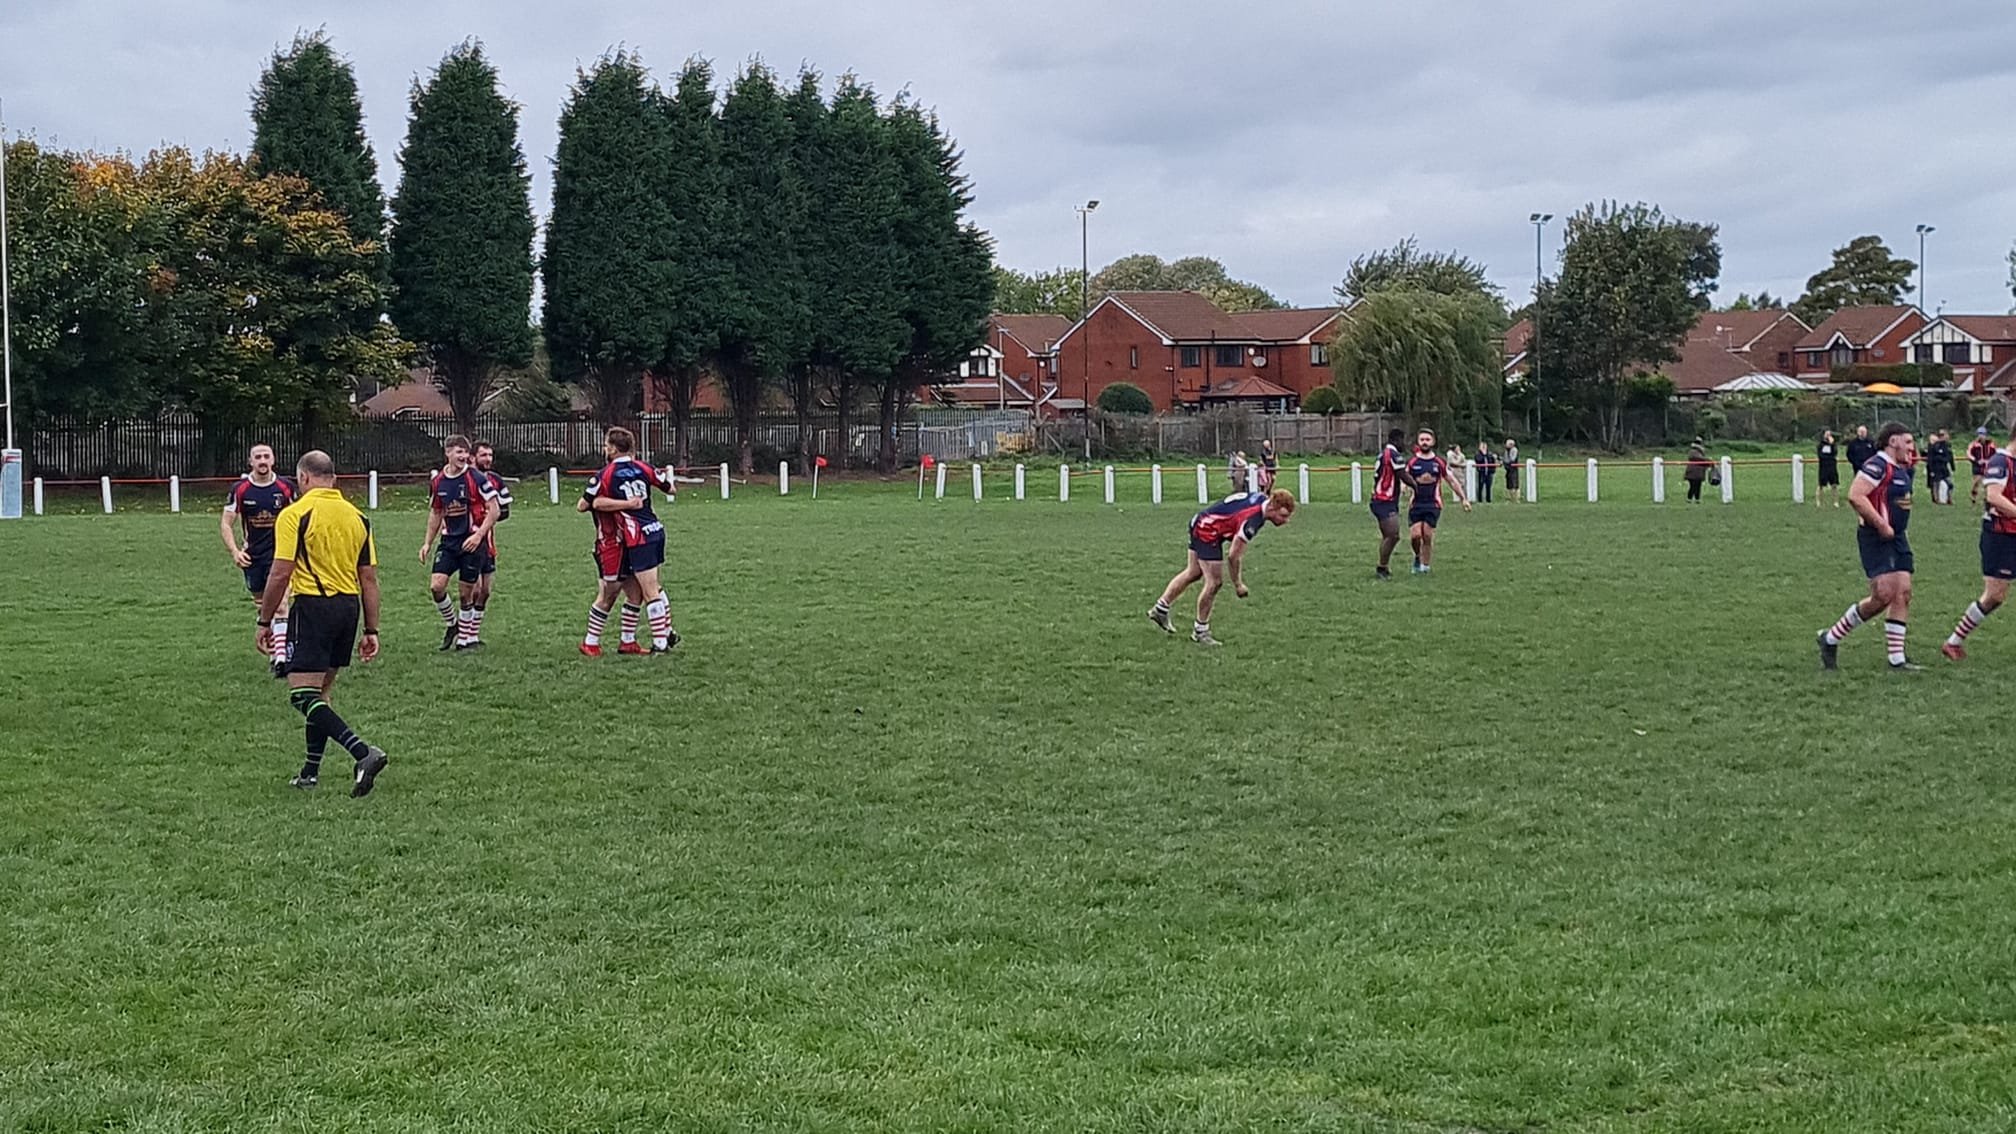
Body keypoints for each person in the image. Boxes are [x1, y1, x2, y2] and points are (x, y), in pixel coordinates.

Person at [256, 450, 389, 796]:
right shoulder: (358, 517)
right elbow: (369, 579)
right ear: (333, 479)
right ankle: (309, 773)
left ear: (303, 478)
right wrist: (371, 629)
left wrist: (264, 620)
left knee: (301, 695)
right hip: (348, 609)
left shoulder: (295, 514)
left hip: (314, 607)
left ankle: (363, 753)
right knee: (321, 695)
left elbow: (280, 572)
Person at [1816, 422, 1918, 672]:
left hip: (1898, 537)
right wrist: (1881, 524)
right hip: (1876, 537)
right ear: (1892, 441)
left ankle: (1897, 659)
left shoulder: (1900, 467)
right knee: (1883, 595)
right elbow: (1856, 495)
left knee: (1903, 592)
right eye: (1907, 442)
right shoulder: (1877, 465)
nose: (1911, 447)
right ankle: (1830, 638)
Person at [1148, 487, 1296, 646]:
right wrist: (1238, 584)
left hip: (1201, 520)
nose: (1286, 521)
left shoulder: (1260, 499)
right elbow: (1233, 556)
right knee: (1214, 582)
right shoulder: (1252, 520)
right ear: (1272, 507)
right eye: (1283, 516)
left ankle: (1160, 609)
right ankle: (1200, 631)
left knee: (1194, 572)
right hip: (1207, 530)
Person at [581, 427, 679, 655]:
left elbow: (585, 504)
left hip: (630, 537)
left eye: (606, 446)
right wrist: (631, 501)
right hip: (648, 531)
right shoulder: (645, 468)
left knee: (637, 591)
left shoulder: (605, 474)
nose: (605, 449)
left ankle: (651, 642)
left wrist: (621, 503)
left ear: (613, 449)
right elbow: (671, 488)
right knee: (630, 591)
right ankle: (601, 642)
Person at [220, 443, 298, 677]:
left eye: (266, 456)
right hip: (253, 558)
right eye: (258, 457)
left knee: (281, 605)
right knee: (264, 607)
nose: (262, 461)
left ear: (273, 460)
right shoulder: (240, 489)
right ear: (250, 461)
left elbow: (300, 518)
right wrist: (235, 551)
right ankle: (276, 651)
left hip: (281, 556)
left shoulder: (285, 487)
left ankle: (281, 658)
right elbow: (226, 523)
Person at [420, 434, 502, 651]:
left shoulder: (476, 478)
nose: (464, 456)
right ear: (448, 453)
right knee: (436, 586)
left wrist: (478, 535)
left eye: (466, 452)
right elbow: (436, 513)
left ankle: (465, 640)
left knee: (467, 594)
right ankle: (452, 624)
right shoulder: (438, 481)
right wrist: (427, 543)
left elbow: (495, 510)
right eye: (459, 452)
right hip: (449, 542)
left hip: (472, 542)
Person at [1943, 434, 2016, 660]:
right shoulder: (2000, 461)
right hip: (2001, 536)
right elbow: (1994, 497)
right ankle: (1953, 642)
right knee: (1995, 596)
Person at [466, 440, 514, 646]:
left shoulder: (495, 480)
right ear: (472, 458)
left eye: (490, 455)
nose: (488, 459)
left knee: (485, 591)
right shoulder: (465, 479)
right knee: (474, 589)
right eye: (483, 455)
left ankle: (473, 634)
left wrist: (489, 516)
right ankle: (464, 634)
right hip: (469, 540)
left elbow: (505, 511)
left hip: (488, 541)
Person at [1404, 429, 1471, 572]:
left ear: (1433, 442)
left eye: (1427, 439)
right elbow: (1404, 477)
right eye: (1422, 439)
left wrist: (1463, 498)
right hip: (1416, 504)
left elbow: (1451, 481)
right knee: (1416, 535)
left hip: (1433, 504)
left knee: (1427, 535)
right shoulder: (1413, 462)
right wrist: (1403, 488)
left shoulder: (1439, 462)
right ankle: (1417, 557)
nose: (1424, 442)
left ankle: (1425, 565)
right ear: (1418, 442)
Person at [1369, 428, 1408, 579]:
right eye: (1402, 440)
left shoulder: (1383, 454)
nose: (1404, 444)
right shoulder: (1393, 455)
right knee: (1393, 535)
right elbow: (1403, 475)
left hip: (1383, 499)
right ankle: (1381, 567)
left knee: (1390, 535)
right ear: (1396, 440)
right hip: (1384, 500)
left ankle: (1383, 567)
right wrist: (1416, 487)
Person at [1924, 429, 1955, 506]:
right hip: (1936, 468)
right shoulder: (1934, 446)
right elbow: (1931, 458)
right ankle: (1936, 499)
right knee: (1936, 484)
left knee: (1950, 484)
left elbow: (1949, 456)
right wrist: (1931, 469)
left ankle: (1949, 499)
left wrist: (1952, 466)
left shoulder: (1947, 446)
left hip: (1944, 468)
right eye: (1943, 435)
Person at [1968, 427, 1997, 503]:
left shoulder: (1991, 445)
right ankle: (1973, 496)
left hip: (1988, 466)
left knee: (1987, 483)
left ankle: (1986, 498)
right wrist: (1976, 461)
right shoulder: (1974, 444)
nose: (1981, 436)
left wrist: (1991, 461)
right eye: (1979, 434)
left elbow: (1995, 454)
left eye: (1983, 434)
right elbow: (1969, 454)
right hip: (1977, 466)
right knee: (1976, 482)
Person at [1815, 430, 1841, 508]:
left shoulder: (1833, 445)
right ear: (1824, 435)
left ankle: (1836, 502)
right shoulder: (1820, 445)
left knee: (1834, 484)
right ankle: (1819, 502)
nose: (1828, 436)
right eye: (1827, 434)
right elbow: (1821, 455)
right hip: (1823, 467)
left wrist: (1832, 444)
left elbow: (1834, 453)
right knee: (1821, 485)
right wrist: (1828, 457)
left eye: (1829, 434)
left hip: (1832, 467)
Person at [1684, 437, 1710, 503]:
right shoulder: (1694, 451)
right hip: (1694, 472)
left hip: (1697, 472)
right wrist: (1707, 460)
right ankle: (1690, 498)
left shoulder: (1697, 451)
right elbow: (1698, 458)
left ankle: (1696, 498)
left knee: (1697, 486)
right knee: (1693, 486)